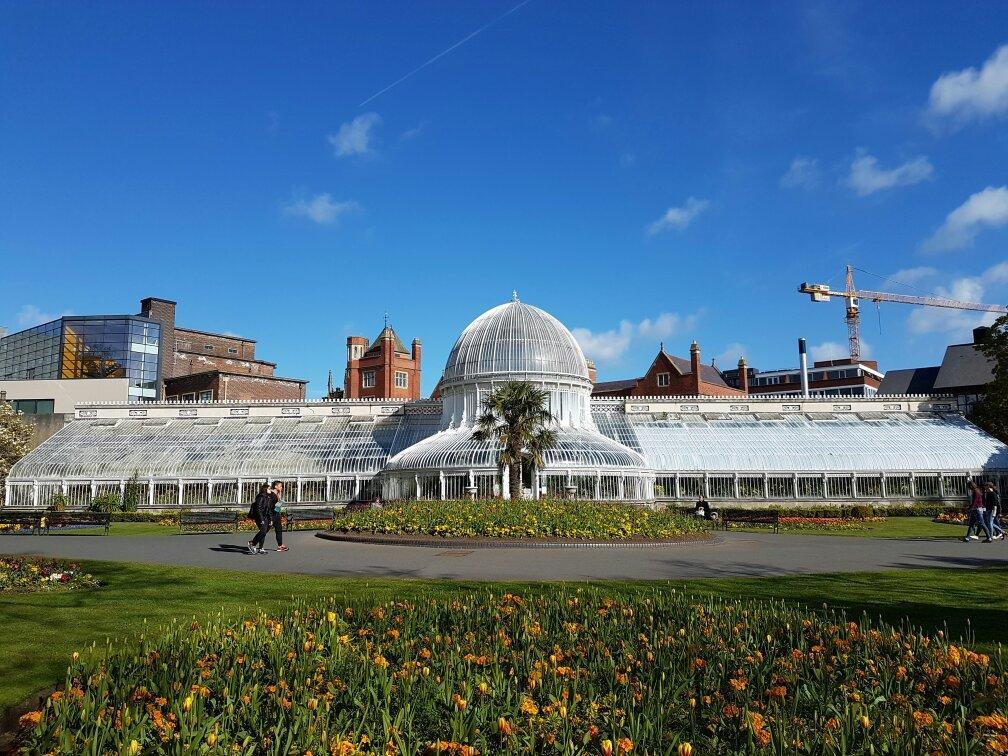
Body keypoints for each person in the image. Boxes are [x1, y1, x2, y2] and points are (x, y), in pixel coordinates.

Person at [248, 483, 272, 555]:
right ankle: (252, 543)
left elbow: (268, 509)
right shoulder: (261, 497)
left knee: (263, 533)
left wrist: (270, 519)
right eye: (269, 489)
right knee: (263, 531)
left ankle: (261, 548)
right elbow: (258, 509)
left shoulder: (267, 497)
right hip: (260, 517)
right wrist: (261, 519)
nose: (270, 490)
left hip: (266, 517)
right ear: (265, 489)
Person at [271, 480, 289, 553]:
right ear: (275, 486)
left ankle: (280, 545)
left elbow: (276, 504)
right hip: (272, 514)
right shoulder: (271, 494)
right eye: (280, 486)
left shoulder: (277, 493)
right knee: (264, 531)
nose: (282, 487)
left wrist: (280, 503)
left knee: (279, 530)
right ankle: (253, 543)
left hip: (276, 513)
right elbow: (270, 505)